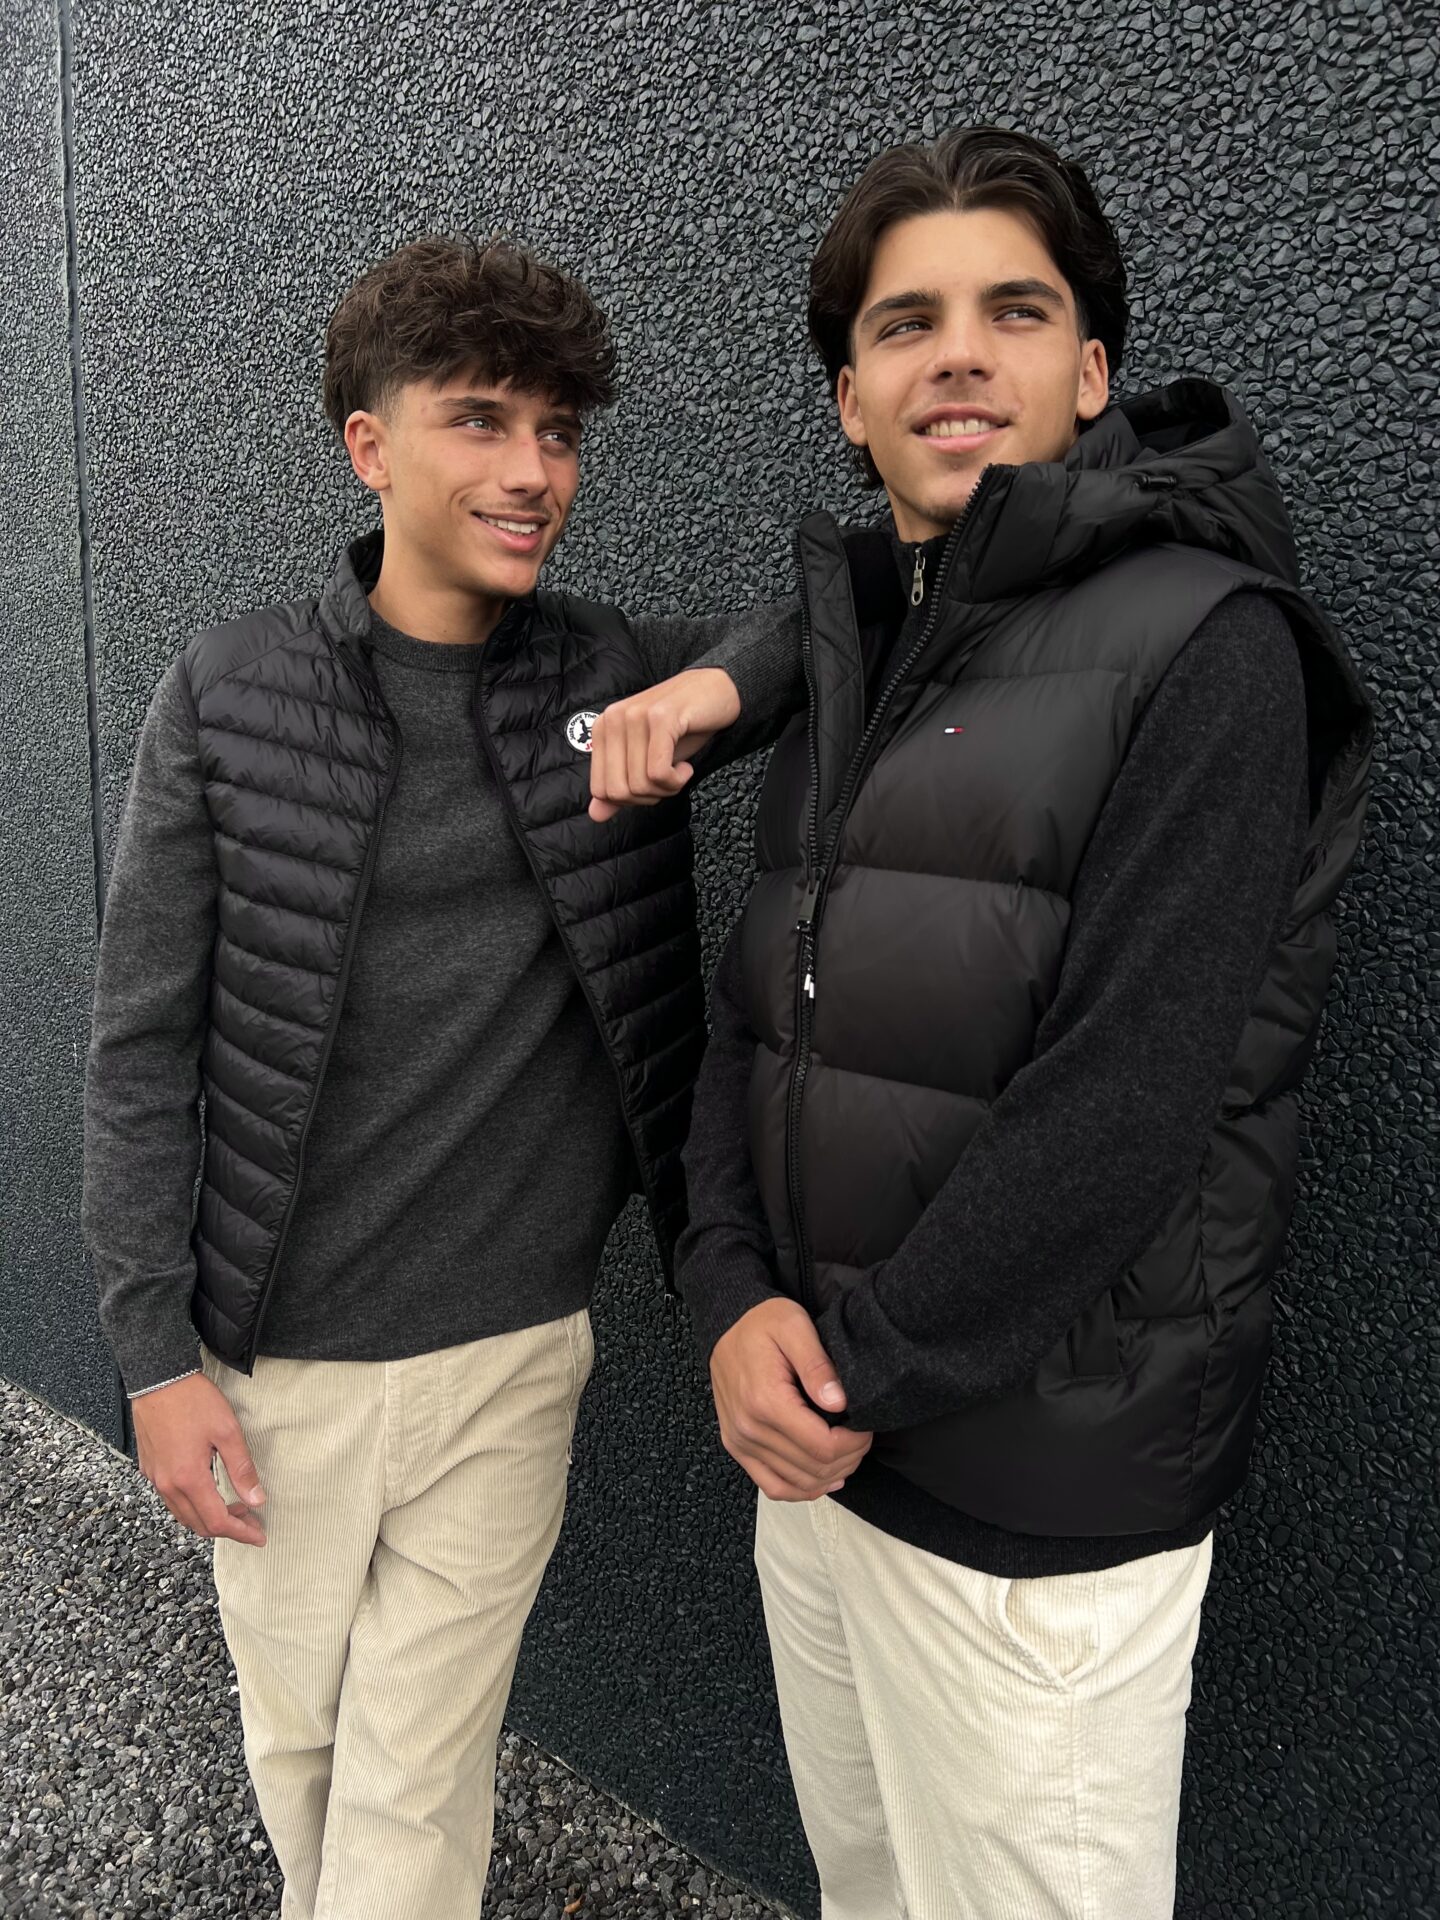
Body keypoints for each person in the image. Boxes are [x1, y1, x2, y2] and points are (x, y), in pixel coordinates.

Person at [646, 126, 1373, 1918]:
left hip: (1029, 1516)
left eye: (1015, 312)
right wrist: (730, 1302)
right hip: (816, 1460)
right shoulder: (855, 655)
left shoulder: (1208, 647)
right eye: (906, 323)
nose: (958, 355)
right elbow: (757, 1011)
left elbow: (1127, 1104)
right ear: (850, 399)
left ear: (1093, 372)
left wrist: (850, 1376)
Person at [82, 234, 800, 1920]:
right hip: (278, 1365)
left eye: (559, 433)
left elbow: (832, 624)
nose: (533, 471)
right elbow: (140, 1041)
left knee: (417, 1776)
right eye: (481, 420)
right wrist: (152, 1356)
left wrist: (709, 690)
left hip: (510, 1358)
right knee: (300, 1744)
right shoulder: (230, 692)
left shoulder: (611, 679)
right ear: (370, 443)